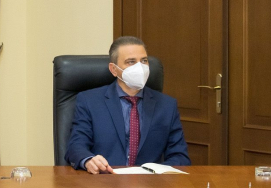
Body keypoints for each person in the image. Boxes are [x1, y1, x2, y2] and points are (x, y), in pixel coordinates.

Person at [64, 36, 190, 174]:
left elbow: (180, 156)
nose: (140, 67)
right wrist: (88, 160)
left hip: (149, 182)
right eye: (131, 62)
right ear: (114, 69)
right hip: (104, 179)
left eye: (144, 61)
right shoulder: (89, 101)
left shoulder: (167, 105)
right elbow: (76, 146)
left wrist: (158, 174)